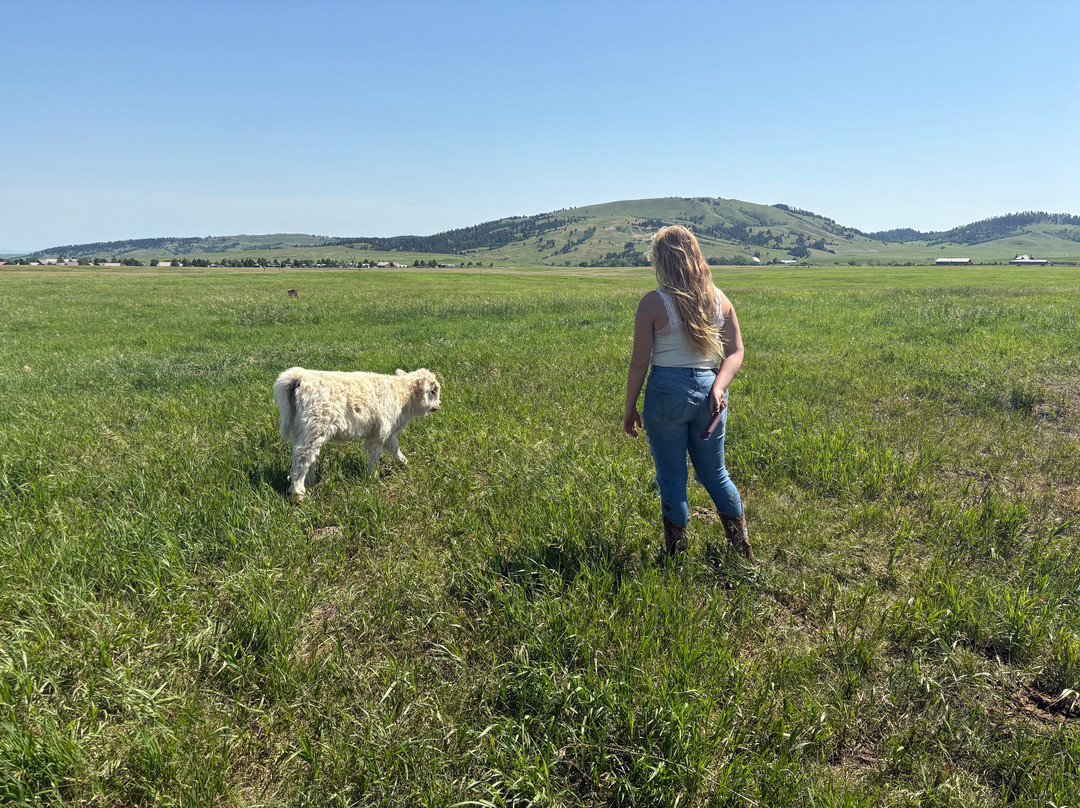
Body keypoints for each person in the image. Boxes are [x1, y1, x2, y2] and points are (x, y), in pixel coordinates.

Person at [623, 225, 755, 562]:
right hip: (710, 393)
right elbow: (736, 352)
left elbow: (639, 363)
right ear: (695, 255)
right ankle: (741, 551)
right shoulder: (719, 299)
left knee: (671, 478)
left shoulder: (653, 302)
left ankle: (677, 557)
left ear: (661, 259)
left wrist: (630, 407)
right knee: (717, 474)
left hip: (666, 392)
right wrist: (719, 387)